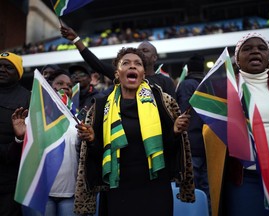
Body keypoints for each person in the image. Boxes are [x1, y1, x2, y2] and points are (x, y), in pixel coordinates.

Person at [74, 47, 195, 216]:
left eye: (138, 64)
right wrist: (93, 140)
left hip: (155, 189)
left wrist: (174, 132)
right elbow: (96, 158)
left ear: (143, 74)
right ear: (117, 73)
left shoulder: (162, 102)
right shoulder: (100, 107)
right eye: (126, 63)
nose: (132, 67)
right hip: (118, 189)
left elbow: (171, 152)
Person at [206, 32, 269, 216]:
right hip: (243, 178)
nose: (255, 52)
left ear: (268, 56)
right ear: (237, 58)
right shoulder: (222, 90)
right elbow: (208, 128)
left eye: (261, 48)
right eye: (247, 48)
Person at [17, 69, 80, 216]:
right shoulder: (33, 119)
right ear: (49, 88)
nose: (65, 87)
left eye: (69, 85)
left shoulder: (78, 120)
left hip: (70, 194)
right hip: (40, 194)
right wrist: (19, 138)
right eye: (60, 83)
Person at [60, 25, 176, 98]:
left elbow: (172, 111)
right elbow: (96, 63)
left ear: (154, 57)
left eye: (145, 51)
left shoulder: (165, 82)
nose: (141, 54)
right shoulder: (122, 75)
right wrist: (76, 40)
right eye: (138, 51)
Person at [176, 54, 211, 214]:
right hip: (210, 143)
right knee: (208, 187)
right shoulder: (209, 83)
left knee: (193, 188)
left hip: (192, 144)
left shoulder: (186, 85)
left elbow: (184, 114)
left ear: (188, 69)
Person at [0, 52, 31, 216]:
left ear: (18, 72)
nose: (2, 69)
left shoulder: (28, 98)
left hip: (12, 179)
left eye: (8, 67)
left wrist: (19, 138)